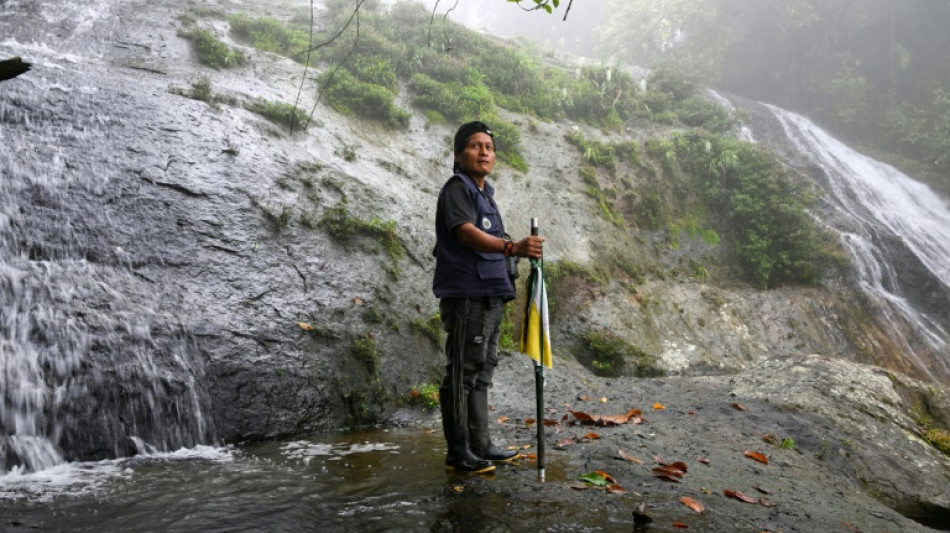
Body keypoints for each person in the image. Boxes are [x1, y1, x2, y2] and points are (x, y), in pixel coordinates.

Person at [433, 121, 544, 473]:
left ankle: (480, 445)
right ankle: (458, 452)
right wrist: (512, 246)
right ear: (458, 154)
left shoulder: (485, 194)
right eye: (475, 146)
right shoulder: (457, 189)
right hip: (468, 294)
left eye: (489, 147)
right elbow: (466, 234)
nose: (484, 152)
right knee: (463, 373)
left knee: (482, 371)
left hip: (491, 294)